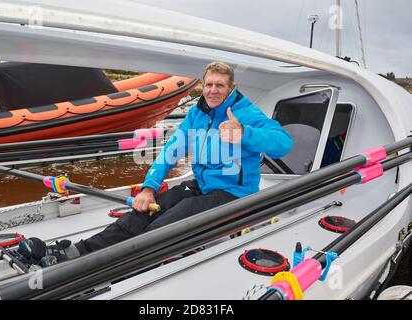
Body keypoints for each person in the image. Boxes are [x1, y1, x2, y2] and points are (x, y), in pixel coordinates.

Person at [19, 61, 293, 266]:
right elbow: (171, 151)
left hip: (234, 194)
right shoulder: (198, 114)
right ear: (202, 85)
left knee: (162, 227)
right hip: (202, 186)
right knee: (141, 214)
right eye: (208, 84)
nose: (212, 90)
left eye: (220, 85)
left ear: (231, 88)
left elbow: (283, 143)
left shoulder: (245, 113)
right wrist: (149, 188)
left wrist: (245, 133)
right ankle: (76, 252)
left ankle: (106, 270)